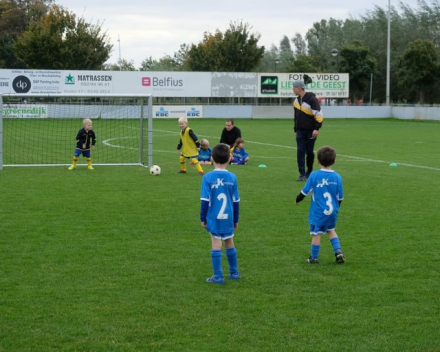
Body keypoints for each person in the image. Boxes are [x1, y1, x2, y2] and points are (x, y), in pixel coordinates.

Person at [295, 146, 345, 264]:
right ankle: (338, 251)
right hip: (332, 211)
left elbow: (305, 191)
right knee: (331, 230)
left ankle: (313, 258)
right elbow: (340, 197)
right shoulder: (337, 177)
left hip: (318, 212)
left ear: (317, 161)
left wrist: (298, 199)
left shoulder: (314, 175)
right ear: (334, 161)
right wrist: (336, 208)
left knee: (316, 233)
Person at [200, 143, 241, 284]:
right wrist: (235, 219)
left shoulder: (208, 177)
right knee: (229, 241)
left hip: (214, 217)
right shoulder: (233, 177)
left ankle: (218, 276)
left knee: (216, 244)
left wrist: (202, 218)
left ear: (211, 158)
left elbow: (205, 201)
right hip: (228, 216)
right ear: (230, 158)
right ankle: (234, 272)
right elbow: (236, 201)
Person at [292, 80, 323, 181]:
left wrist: (316, 128)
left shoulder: (312, 99)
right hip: (300, 131)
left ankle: (309, 171)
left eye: (294, 88)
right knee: (300, 151)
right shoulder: (296, 101)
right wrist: (296, 129)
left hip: (310, 130)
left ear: (299, 88)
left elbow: (318, 115)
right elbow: (296, 117)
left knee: (309, 152)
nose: (293, 90)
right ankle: (302, 173)